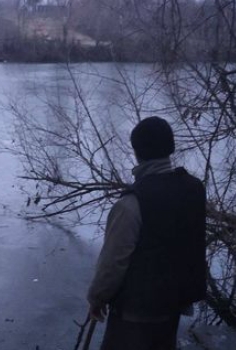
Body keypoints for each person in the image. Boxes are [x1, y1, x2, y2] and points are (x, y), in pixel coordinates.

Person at [87, 116, 207, 350]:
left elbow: (114, 261)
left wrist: (97, 298)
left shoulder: (132, 202)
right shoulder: (193, 188)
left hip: (135, 315)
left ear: (137, 152)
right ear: (169, 148)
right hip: (172, 309)